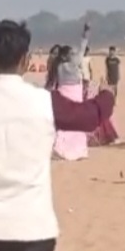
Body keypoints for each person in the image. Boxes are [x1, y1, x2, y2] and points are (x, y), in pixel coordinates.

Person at [0, 19, 115, 251]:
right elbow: (89, 117)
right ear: (25, 60)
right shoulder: (45, 102)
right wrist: (107, 95)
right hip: (31, 231)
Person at [48, 23, 91, 160]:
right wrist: (85, 34)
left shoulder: (58, 66)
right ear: (66, 56)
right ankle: (77, 149)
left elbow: (52, 83)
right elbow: (82, 49)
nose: (74, 55)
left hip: (63, 94)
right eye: (71, 53)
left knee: (65, 123)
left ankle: (60, 147)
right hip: (74, 95)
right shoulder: (72, 64)